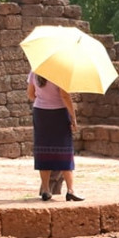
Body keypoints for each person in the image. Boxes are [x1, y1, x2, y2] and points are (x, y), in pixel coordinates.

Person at [27, 70, 81, 201]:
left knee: (43, 149)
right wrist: (73, 117)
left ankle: (46, 189)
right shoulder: (60, 72)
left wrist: (43, 99)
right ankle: (70, 190)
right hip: (59, 113)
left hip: (41, 113)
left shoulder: (34, 72)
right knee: (64, 150)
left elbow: (30, 94)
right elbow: (64, 96)